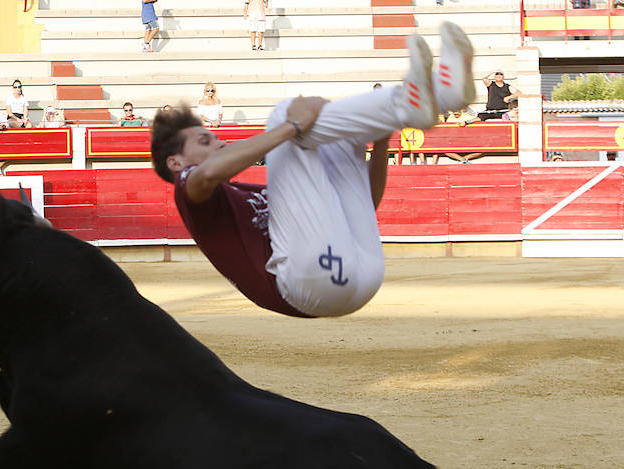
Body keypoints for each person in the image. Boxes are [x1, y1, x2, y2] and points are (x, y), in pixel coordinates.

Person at [150, 22, 474, 317]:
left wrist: (381, 143)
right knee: (283, 117)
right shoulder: (187, 187)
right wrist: (292, 124)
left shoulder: (261, 194)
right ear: (176, 163)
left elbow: (365, 204)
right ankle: (417, 101)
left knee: (329, 139)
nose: (219, 143)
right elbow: (209, 174)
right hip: (308, 284)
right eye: (205, 141)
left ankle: (431, 96)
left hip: (360, 272)